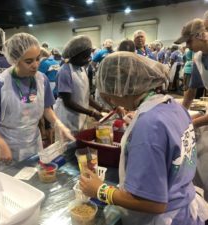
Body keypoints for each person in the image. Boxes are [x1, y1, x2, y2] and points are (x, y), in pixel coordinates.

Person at [80, 51, 208, 225]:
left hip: (164, 217)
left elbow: (153, 203)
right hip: (185, 206)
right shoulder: (171, 105)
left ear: (123, 88)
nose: (109, 98)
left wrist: (100, 190)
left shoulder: (148, 124)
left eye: (110, 92)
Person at [0, 33, 74, 171]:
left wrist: (59, 125)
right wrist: (1, 143)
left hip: (33, 143)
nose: (35, 65)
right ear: (15, 60)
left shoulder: (42, 80)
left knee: (33, 181)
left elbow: (47, 109)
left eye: (37, 59)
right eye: (29, 61)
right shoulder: (1, 84)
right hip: (7, 145)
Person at [176, 18, 208, 202]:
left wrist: (191, 122)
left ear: (201, 36)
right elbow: (191, 91)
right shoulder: (198, 58)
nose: (187, 46)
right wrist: (180, 113)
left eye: (189, 41)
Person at [54, 35, 105, 134]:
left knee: (79, 143)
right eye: (84, 57)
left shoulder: (82, 69)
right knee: (67, 146)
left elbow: (85, 95)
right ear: (74, 55)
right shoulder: (65, 72)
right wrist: (92, 113)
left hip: (80, 114)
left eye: (89, 56)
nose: (88, 60)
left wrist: (100, 108)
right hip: (67, 116)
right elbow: (67, 102)